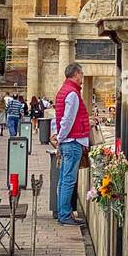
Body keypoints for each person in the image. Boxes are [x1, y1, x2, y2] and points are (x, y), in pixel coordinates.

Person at [53, 63, 89, 225]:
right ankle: (65, 215)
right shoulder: (73, 94)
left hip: (67, 141)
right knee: (68, 179)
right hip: (72, 141)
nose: (82, 78)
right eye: (81, 74)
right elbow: (67, 120)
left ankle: (63, 212)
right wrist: (60, 138)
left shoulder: (63, 91)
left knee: (63, 179)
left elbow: (60, 118)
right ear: (75, 74)